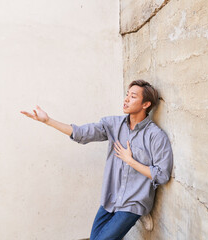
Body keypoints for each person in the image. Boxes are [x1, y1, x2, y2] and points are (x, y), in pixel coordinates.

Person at [20, 80, 173, 240]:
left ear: (145, 104)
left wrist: (131, 161)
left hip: (134, 202)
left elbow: (162, 175)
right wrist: (48, 121)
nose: (126, 99)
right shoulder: (113, 125)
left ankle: (139, 215)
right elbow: (82, 133)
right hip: (111, 198)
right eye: (127, 94)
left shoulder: (156, 136)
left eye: (133, 96)